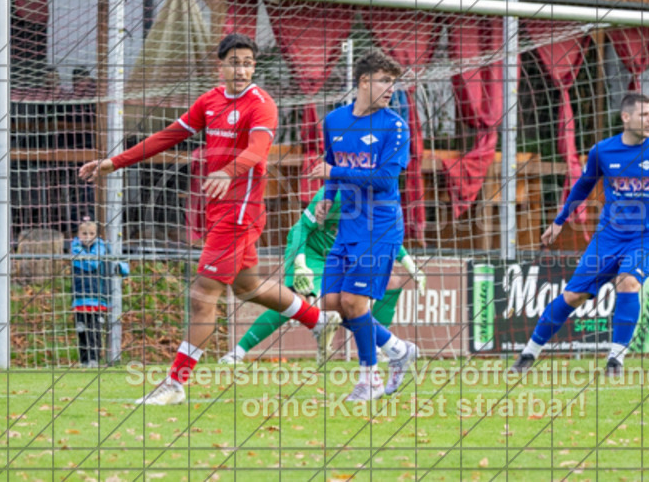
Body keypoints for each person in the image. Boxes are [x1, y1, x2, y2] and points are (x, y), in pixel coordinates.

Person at [79, 33, 341, 406]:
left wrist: (228, 171)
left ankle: (174, 384)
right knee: (248, 287)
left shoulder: (262, 104)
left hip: (241, 211)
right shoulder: (210, 101)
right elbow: (167, 136)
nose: (242, 69)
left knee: (202, 296)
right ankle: (318, 319)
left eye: (248, 63)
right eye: (235, 62)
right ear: (221, 65)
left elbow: (258, 150)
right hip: (219, 208)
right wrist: (113, 162)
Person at [511, 93, 649, 378]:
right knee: (573, 296)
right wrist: (560, 220)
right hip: (609, 236)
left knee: (628, 282)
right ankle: (529, 353)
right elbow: (582, 187)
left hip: (647, 235)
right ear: (626, 117)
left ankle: (615, 359)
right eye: (644, 114)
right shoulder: (603, 151)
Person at [306, 49, 417, 401]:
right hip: (349, 226)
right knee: (331, 303)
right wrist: (328, 196)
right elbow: (332, 161)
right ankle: (398, 350)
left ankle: (369, 380)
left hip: (380, 226)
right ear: (364, 82)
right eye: (385, 81)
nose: (391, 89)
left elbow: (384, 179)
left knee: (354, 301)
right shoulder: (334, 120)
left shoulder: (395, 126)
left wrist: (334, 172)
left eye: (393, 82)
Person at [218, 186, 427, 366]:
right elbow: (301, 228)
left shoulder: (380, 202)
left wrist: (410, 265)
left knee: (390, 283)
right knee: (294, 300)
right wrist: (300, 263)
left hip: (342, 256)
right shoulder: (333, 194)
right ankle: (237, 353)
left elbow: (385, 236)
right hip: (310, 252)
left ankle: (378, 347)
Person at [70, 216, 127, 368]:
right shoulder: (75, 249)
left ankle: (94, 359)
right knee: (81, 330)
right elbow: (92, 263)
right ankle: (84, 361)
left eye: (91, 234)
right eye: (84, 234)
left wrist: (121, 267)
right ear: (78, 234)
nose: (88, 237)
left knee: (95, 330)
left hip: (98, 298)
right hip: (80, 298)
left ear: (97, 235)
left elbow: (112, 262)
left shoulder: (103, 248)